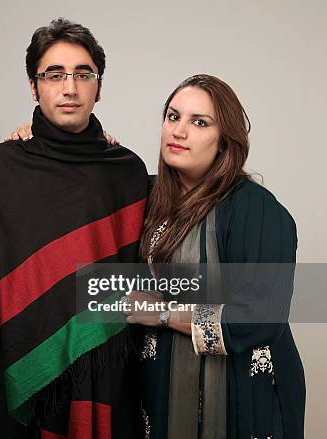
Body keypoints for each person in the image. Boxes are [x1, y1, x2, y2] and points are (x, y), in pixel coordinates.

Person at [0, 18, 148, 438]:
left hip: (105, 365)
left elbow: (142, 272)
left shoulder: (127, 172)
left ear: (100, 85)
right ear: (34, 86)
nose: (70, 87)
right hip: (17, 356)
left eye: (83, 74)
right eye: (54, 75)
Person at [124, 74, 305, 438]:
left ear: (224, 142)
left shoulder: (256, 210)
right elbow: (87, 179)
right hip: (159, 390)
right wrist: (33, 137)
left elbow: (259, 315)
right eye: (173, 117)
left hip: (241, 395)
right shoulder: (146, 197)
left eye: (199, 122)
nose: (179, 131)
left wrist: (162, 313)